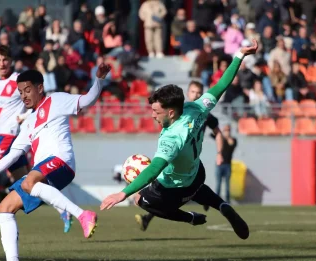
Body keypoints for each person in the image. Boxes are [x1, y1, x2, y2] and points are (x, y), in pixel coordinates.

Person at [101, 39, 259, 241]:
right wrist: (239, 55)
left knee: (140, 200)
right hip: (197, 174)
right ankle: (221, 205)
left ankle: (190, 218)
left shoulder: (172, 138)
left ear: (171, 112)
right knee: (193, 185)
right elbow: (221, 85)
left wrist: (122, 193)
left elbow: (153, 170)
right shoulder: (197, 108)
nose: (152, 115)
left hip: (176, 188)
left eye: (156, 111)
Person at [0, 63, 111, 261]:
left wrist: (99, 79)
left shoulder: (57, 100)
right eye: (20, 92)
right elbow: (12, 155)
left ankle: (83, 215)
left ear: (40, 88)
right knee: (4, 208)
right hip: (42, 170)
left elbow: (88, 99)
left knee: (28, 182)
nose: (24, 96)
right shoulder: (29, 122)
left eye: (27, 90)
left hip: (61, 162)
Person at [0, 45, 71, 242]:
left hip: (10, 135)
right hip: (3, 135)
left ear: (11, 61)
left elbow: (36, 101)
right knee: (28, 183)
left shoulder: (18, 80)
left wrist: (25, 117)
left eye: (5, 59)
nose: (2, 63)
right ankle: (63, 209)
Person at [134, 80, 224, 230]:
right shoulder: (185, 111)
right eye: (193, 91)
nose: (196, 94)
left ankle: (198, 207)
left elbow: (218, 133)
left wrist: (220, 152)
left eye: (199, 92)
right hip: (178, 160)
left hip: (186, 161)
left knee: (159, 194)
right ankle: (207, 201)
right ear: (188, 93)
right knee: (165, 192)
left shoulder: (202, 112)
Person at [215, 124, 237, 202]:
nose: (227, 132)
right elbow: (213, 135)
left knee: (227, 185)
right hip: (219, 164)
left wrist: (227, 137)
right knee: (218, 184)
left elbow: (231, 144)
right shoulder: (221, 139)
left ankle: (227, 202)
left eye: (228, 130)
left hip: (227, 165)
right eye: (225, 130)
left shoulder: (233, 139)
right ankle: (216, 201)